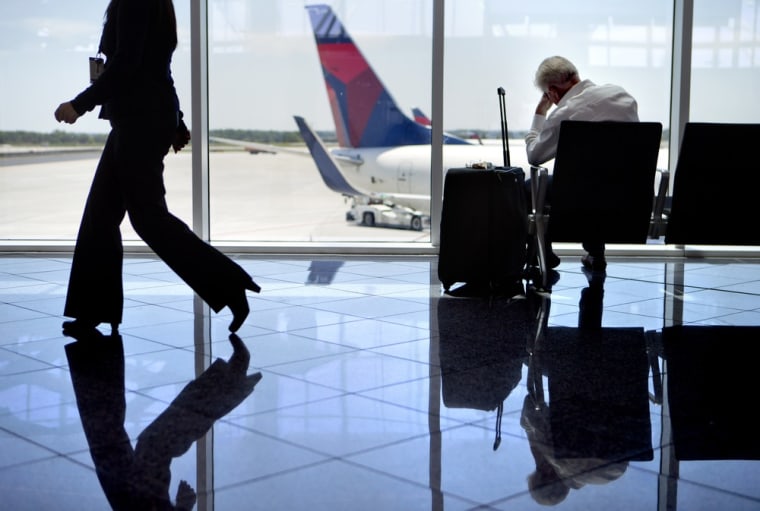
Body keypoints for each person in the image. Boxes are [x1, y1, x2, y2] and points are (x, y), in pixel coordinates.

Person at [54, 0, 259, 334]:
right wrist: (175, 120)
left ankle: (229, 283)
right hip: (138, 119)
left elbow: (127, 64)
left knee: (148, 218)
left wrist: (81, 104)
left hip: (139, 122)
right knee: (101, 216)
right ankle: (92, 311)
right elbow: (157, 67)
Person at [524, 56, 639, 272]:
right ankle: (595, 253)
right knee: (597, 181)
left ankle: (542, 255)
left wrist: (540, 113)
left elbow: (534, 156)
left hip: (577, 194)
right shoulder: (623, 96)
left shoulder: (564, 114)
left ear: (552, 92)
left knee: (529, 186)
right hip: (623, 193)